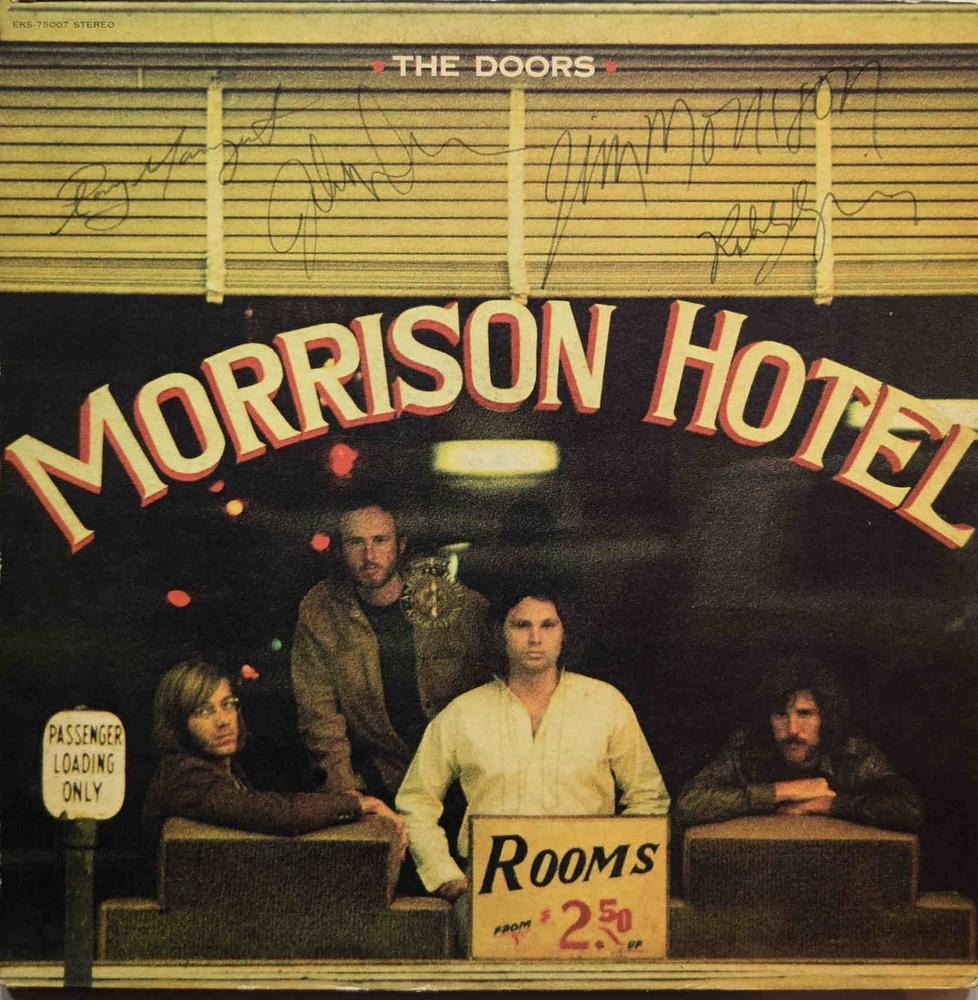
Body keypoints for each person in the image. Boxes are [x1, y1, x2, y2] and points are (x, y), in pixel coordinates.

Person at [395, 582, 671, 903]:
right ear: (500, 633)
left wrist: (618, 869)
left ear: (565, 633)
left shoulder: (606, 704)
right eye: (521, 625)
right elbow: (416, 803)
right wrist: (446, 877)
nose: (535, 638)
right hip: (492, 889)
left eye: (548, 625)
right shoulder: (463, 713)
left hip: (587, 886)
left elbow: (649, 799)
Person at [290, 490, 489, 802]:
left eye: (380, 540)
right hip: (383, 774)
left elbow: (496, 686)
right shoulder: (321, 611)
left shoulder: (453, 602)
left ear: (401, 545)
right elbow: (319, 714)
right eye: (356, 542)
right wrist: (347, 794)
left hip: (461, 770)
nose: (369, 555)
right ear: (340, 550)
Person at [143, 658, 405, 849]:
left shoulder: (224, 768)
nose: (223, 720)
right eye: (203, 711)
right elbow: (274, 812)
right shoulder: (182, 775)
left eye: (228, 704)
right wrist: (361, 804)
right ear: (178, 723)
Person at [674, 661, 925, 832]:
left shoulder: (851, 751)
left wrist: (826, 804)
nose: (792, 729)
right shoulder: (746, 747)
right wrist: (784, 790)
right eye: (780, 715)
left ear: (825, 718)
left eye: (805, 714)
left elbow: (909, 809)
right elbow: (688, 805)